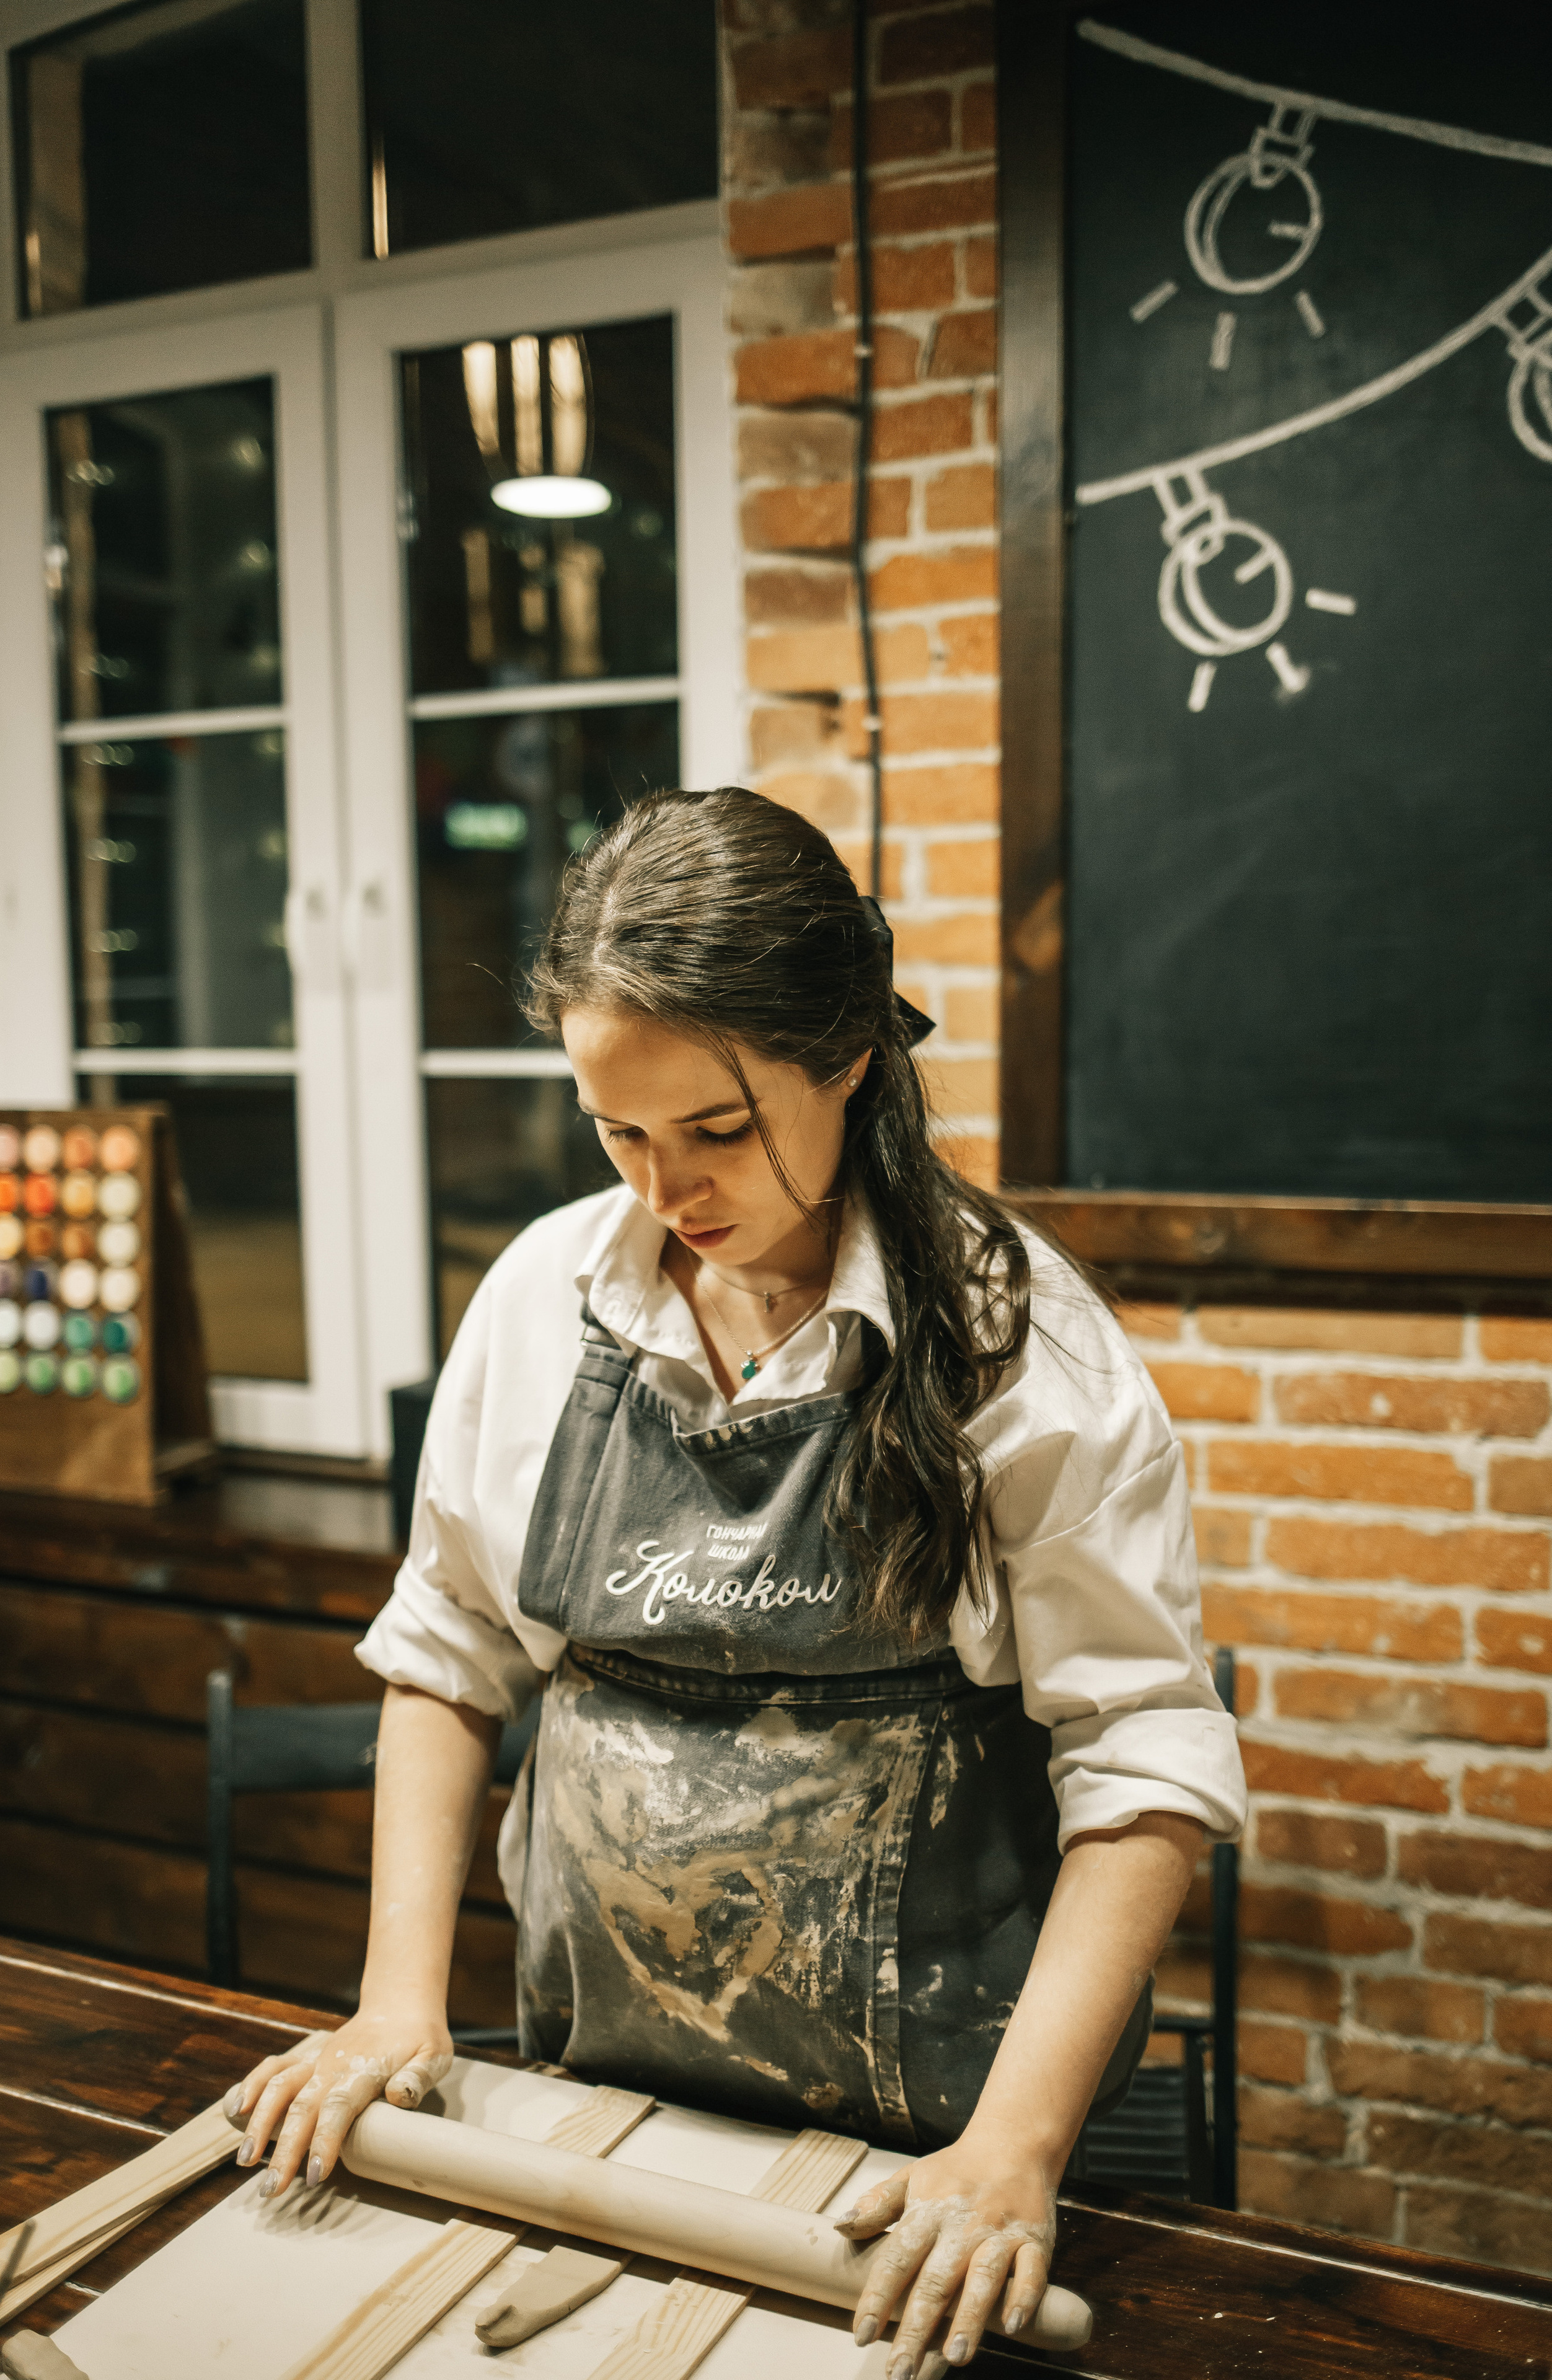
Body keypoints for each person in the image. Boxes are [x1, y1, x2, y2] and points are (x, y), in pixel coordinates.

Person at [229, 788, 1246, 2374]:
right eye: (617, 1131)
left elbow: (1142, 1764)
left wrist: (1011, 2155)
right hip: (586, 2105)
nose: (665, 1192)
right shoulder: (539, 1306)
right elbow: (446, 1655)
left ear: (848, 1057)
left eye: (716, 1128)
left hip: (920, 2163)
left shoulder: (1011, 1348)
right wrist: (391, 2008)